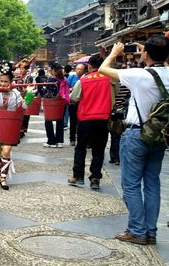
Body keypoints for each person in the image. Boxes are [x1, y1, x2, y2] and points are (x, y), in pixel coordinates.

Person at [99, 37, 169, 246]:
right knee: (152, 183)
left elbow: (104, 69)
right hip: (159, 135)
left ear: (145, 54)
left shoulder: (138, 75)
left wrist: (114, 52)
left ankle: (137, 230)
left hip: (136, 134)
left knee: (130, 184)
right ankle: (151, 231)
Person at [67, 55, 113, 190]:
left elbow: (74, 98)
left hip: (86, 118)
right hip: (103, 118)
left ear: (89, 66)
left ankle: (77, 176)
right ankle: (95, 178)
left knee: (81, 147)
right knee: (99, 149)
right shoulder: (110, 79)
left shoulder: (83, 80)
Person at [0, 61, 23, 190]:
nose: (2, 84)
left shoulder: (16, 94)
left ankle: (3, 178)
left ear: (11, 82)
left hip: (9, 125)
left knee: (6, 150)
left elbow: (24, 106)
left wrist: (29, 94)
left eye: (5, 82)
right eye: (1, 81)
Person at [42, 63, 69, 148]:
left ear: (53, 70)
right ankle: (59, 141)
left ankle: (51, 141)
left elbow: (47, 92)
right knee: (60, 121)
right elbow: (67, 91)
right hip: (62, 102)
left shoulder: (51, 79)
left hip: (52, 103)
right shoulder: (64, 79)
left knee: (48, 121)